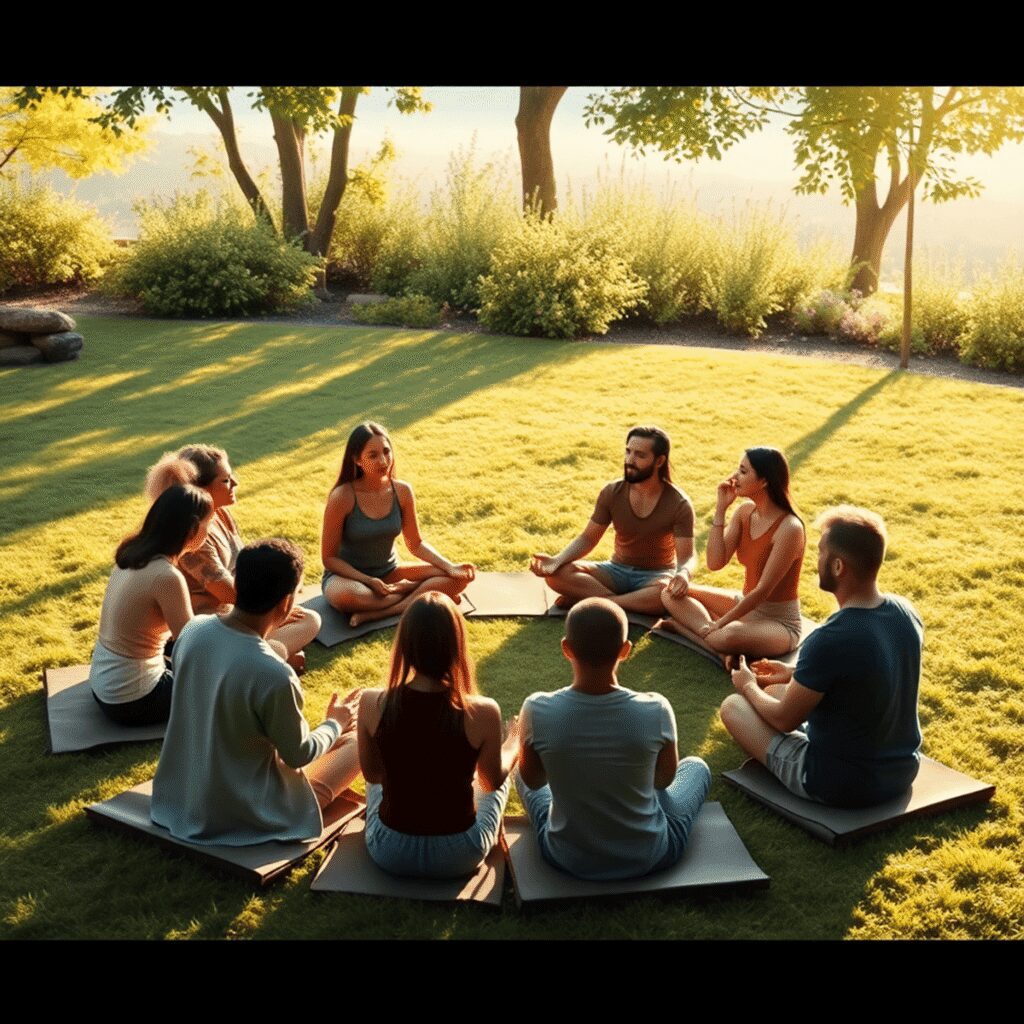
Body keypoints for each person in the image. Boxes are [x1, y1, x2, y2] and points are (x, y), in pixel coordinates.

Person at [151, 539, 363, 845]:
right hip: (245, 814)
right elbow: (298, 755)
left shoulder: (193, 631)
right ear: (287, 602)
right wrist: (336, 722)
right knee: (357, 741)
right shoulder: (273, 674)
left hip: (181, 798)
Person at [720, 505, 924, 808]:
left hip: (838, 782)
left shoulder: (830, 639)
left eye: (820, 553)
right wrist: (791, 674)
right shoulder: (905, 613)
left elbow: (785, 719)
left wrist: (746, 684)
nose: (816, 561)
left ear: (838, 566)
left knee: (734, 706)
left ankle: (793, 756)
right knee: (775, 688)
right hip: (902, 770)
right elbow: (869, 672)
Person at [515, 597, 711, 881]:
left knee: (520, 771)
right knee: (696, 767)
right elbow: (663, 782)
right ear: (625, 651)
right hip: (649, 855)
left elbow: (534, 781)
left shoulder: (536, 708)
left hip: (567, 857)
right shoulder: (655, 708)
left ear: (566, 649)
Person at [356, 592, 520, 878]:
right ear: (457, 646)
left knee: (376, 789)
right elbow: (490, 782)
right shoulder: (482, 711)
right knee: (500, 781)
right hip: (458, 856)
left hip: (389, 852)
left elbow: (373, 776)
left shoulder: (373, 702)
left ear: (405, 646)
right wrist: (514, 741)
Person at [145, 445, 320, 671]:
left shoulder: (220, 513)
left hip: (239, 612)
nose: (235, 483)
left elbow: (246, 563)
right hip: (216, 625)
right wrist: (277, 600)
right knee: (306, 619)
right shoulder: (194, 536)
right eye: (225, 481)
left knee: (309, 619)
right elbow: (231, 594)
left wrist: (282, 579)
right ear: (202, 490)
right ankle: (268, 658)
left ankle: (271, 653)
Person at [658, 447, 805, 664]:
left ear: (764, 481)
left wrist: (721, 623)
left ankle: (687, 629)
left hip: (779, 622)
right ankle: (719, 647)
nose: (735, 476)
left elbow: (763, 591)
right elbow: (715, 563)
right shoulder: (745, 513)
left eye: (743, 471)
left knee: (728, 635)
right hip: (744, 604)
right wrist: (720, 510)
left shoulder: (790, 528)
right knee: (669, 592)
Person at [321, 422, 475, 627]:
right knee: (347, 597)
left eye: (386, 451)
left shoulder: (402, 491)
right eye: (373, 455)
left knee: (459, 579)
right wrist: (368, 581)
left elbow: (416, 543)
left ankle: (379, 613)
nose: (383, 460)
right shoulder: (343, 496)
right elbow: (329, 559)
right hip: (348, 578)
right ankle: (414, 593)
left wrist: (450, 567)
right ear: (357, 460)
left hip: (390, 572)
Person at [530, 426, 696, 616]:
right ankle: (621, 602)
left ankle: (596, 600)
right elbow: (588, 538)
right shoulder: (612, 492)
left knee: (665, 595)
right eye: (628, 451)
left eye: (640, 455)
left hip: (655, 577)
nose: (629, 460)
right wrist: (557, 560)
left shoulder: (679, 503)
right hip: (615, 570)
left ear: (659, 461)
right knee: (557, 575)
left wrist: (684, 573)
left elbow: (687, 557)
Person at [89, 485, 214, 726]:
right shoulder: (166, 576)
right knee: (221, 685)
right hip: (133, 700)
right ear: (193, 529)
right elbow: (191, 645)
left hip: (105, 684)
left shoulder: (131, 555)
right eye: (209, 524)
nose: (209, 531)